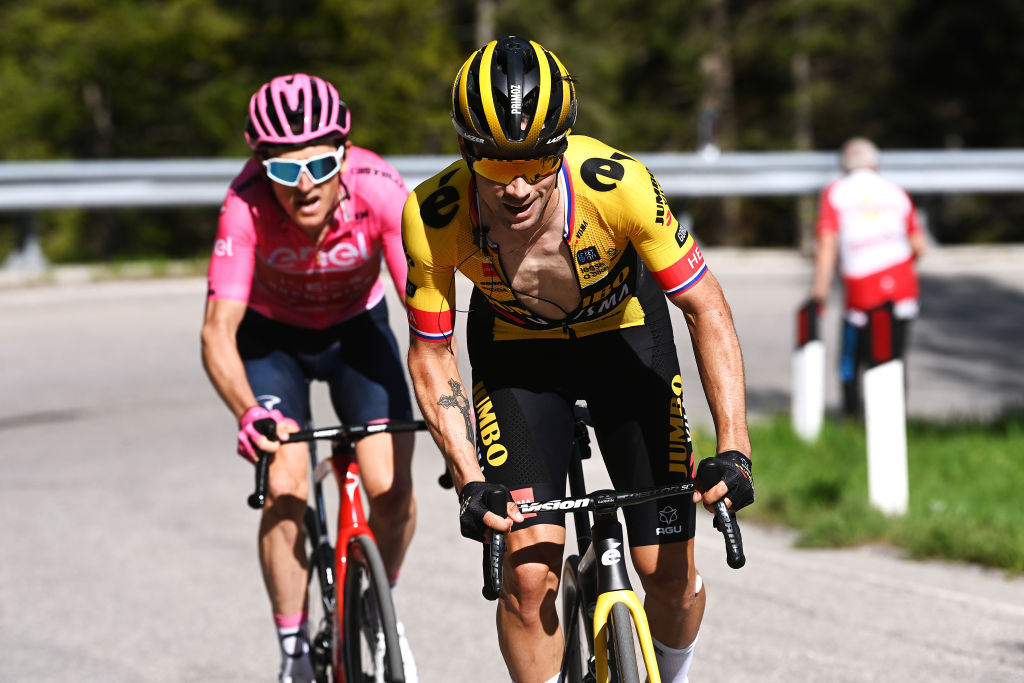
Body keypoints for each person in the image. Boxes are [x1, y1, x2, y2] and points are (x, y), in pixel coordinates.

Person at [402, 37, 754, 683]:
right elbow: (430, 351)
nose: (516, 186)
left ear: (562, 145)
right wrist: (467, 473)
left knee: (666, 571)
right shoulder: (433, 214)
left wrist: (734, 447)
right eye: (496, 163)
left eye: (535, 161)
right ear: (465, 152)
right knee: (529, 574)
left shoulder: (619, 186)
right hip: (517, 359)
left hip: (626, 341)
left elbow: (707, 308)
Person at [200, 73, 418, 683]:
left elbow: (426, 317)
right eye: (282, 172)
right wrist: (248, 412)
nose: (303, 187)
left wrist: (453, 404)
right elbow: (218, 331)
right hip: (274, 343)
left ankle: (374, 602)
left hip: (357, 332)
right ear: (258, 166)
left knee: (392, 487)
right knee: (287, 486)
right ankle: (294, 651)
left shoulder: (379, 189)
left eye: (319, 166)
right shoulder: (242, 206)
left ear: (344, 155)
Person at [809, 137, 927, 416]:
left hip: (862, 289)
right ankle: (894, 418)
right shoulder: (895, 191)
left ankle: (853, 417)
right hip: (902, 285)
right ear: (875, 162)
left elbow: (827, 247)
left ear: (844, 164)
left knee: (853, 358)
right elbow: (919, 246)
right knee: (894, 358)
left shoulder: (835, 192)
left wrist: (819, 294)